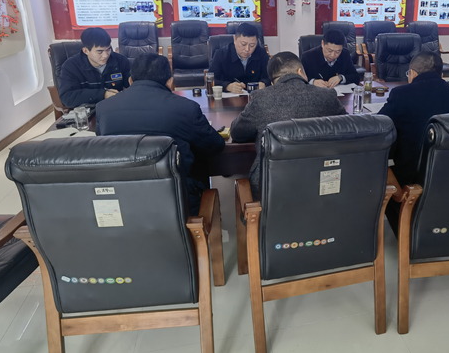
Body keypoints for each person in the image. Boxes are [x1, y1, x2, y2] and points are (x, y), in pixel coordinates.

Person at [95, 53, 225, 212]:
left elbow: (103, 145)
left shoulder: (103, 108)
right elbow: (215, 145)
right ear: (170, 81)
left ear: (130, 81)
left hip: (121, 201)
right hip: (175, 201)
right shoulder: (186, 108)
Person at [231, 52, 347, 197]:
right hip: (323, 183)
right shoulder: (327, 95)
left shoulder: (260, 98)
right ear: (300, 72)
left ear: (272, 82)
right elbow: (347, 127)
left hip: (273, 187)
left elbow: (237, 133)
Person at [379, 51, 449, 188]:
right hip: (447, 173)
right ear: (441, 75)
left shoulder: (401, 94)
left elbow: (380, 125)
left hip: (409, 175)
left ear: (413, 73)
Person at [59, 27, 131, 108]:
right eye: (100, 51)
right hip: (88, 110)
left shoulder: (121, 61)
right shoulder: (71, 66)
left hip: (115, 108)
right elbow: (67, 97)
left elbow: (132, 84)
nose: (105, 55)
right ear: (86, 51)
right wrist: (103, 94)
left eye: (108, 49)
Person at [209, 22, 271, 93]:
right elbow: (211, 80)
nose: (247, 49)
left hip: (255, 96)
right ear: (234, 39)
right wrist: (227, 86)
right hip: (229, 97)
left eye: (252, 45)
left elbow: (270, 77)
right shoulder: (221, 54)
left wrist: (264, 83)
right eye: (243, 44)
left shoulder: (261, 53)